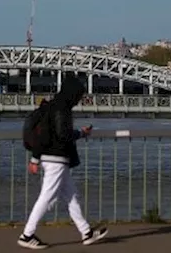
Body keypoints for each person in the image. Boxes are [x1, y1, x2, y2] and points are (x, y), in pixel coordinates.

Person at [19, 75, 108, 249]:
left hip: (55, 159)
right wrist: (81, 134)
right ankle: (27, 235)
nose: (78, 100)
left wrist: (36, 157)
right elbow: (62, 135)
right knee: (47, 197)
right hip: (56, 159)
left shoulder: (53, 106)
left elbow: (45, 135)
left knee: (71, 196)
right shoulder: (62, 109)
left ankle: (86, 232)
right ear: (72, 94)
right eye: (78, 96)